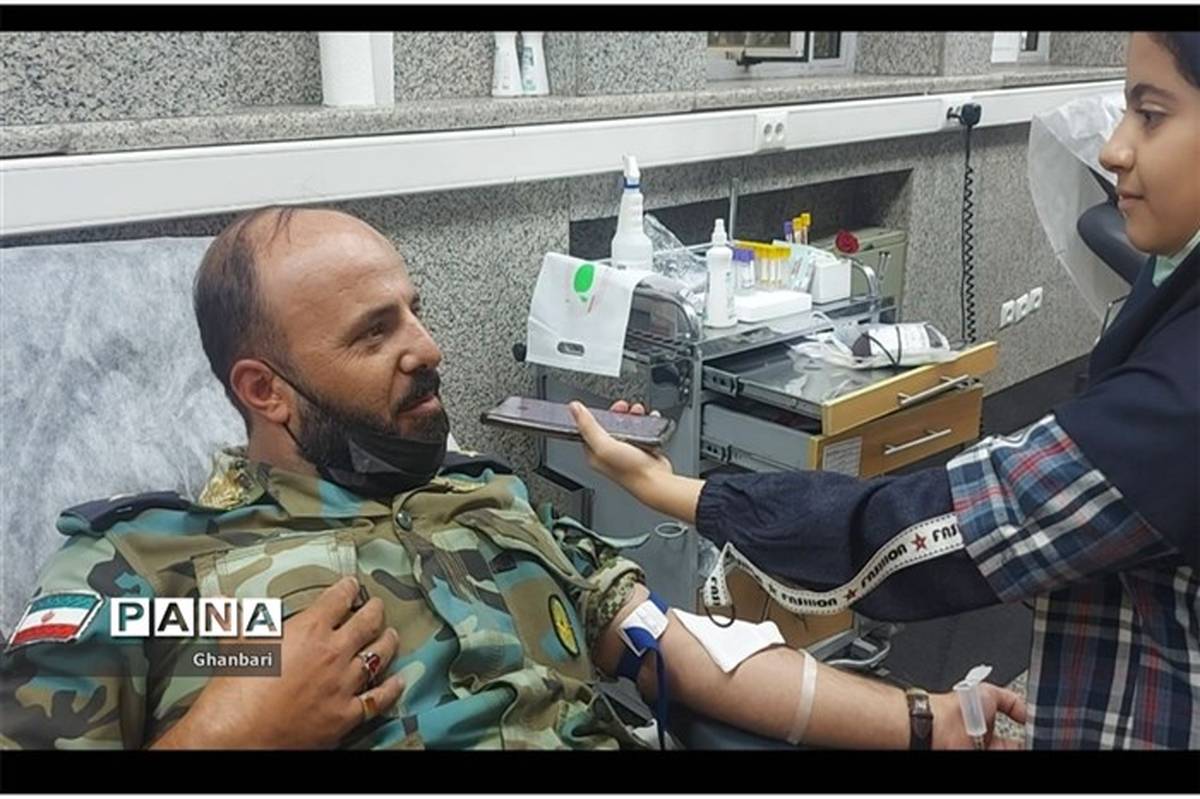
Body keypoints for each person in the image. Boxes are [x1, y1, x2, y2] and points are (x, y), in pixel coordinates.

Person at [0, 206, 1022, 751]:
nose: (429, 347)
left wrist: (930, 720)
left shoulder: (491, 498)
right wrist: (231, 737)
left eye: (414, 309)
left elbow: (680, 651)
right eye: (374, 333)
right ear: (265, 389)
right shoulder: (147, 574)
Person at [570, 31, 1199, 750]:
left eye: (1151, 114)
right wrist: (929, 719)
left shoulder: (1179, 406)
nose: (1114, 149)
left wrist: (673, 490)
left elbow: (927, 526)